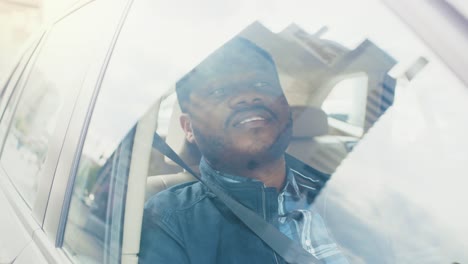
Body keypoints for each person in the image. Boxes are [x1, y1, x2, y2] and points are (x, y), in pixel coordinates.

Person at [139, 37, 348, 264]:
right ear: (188, 128)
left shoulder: (343, 198)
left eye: (262, 85)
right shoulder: (169, 220)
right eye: (219, 91)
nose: (249, 96)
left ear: (286, 106)